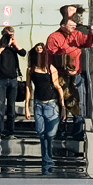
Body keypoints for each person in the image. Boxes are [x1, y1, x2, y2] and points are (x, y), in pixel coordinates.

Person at [46, 14, 93, 140]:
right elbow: (50, 56)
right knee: (61, 104)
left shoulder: (76, 35)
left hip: (76, 75)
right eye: (70, 24)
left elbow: (88, 43)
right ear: (63, 25)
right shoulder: (54, 37)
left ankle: (77, 132)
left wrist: (91, 32)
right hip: (61, 76)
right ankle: (59, 131)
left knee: (78, 104)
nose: (74, 25)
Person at [24, 43, 66, 173]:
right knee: (41, 133)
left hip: (51, 104)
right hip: (38, 104)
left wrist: (63, 106)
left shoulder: (50, 68)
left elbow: (57, 86)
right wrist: (27, 106)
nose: (39, 53)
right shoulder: (30, 69)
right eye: (37, 50)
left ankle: (49, 158)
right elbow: (28, 87)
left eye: (41, 50)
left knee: (50, 134)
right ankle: (46, 160)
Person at [0, 26, 26, 137]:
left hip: (13, 79)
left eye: (11, 35)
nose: (9, 37)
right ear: (2, 34)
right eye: (7, 35)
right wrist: (4, 46)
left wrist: (15, 44)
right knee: (0, 106)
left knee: (11, 106)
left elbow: (23, 53)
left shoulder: (13, 48)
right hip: (1, 79)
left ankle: (10, 131)